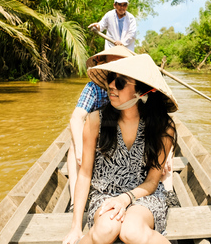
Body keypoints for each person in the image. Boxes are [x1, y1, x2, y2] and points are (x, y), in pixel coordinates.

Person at [63, 54, 179, 244]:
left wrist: (126, 199)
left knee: (131, 231)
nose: (111, 86)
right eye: (110, 79)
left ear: (141, 90)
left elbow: (152, 181)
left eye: (120, 82)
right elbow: (84, 174)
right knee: (106, 229)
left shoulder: (162, 127)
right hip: (105, 194)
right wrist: (76, 227)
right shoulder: (96, 120)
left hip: (144, 195)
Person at [68, 46, 135, 209]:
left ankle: (167, 192)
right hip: (101, 142)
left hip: (127, 141)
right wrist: (79, 147)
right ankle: (74, 200)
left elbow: (155, 120)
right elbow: (77, 117)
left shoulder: (133, 86)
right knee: (73, 144)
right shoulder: (94, 88)